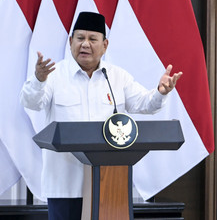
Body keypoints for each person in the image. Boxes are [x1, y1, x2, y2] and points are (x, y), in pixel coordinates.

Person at [20, 11, 181, 220]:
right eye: (80, 38)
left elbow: (145, 104)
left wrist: (160, 92)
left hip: (109, 184)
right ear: (70, 42)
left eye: (92, 39)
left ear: (105, 45)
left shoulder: (117, 77)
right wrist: (39, 79)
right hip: (65, 186)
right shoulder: (54, 75)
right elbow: (31, 102)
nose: (85, 44)